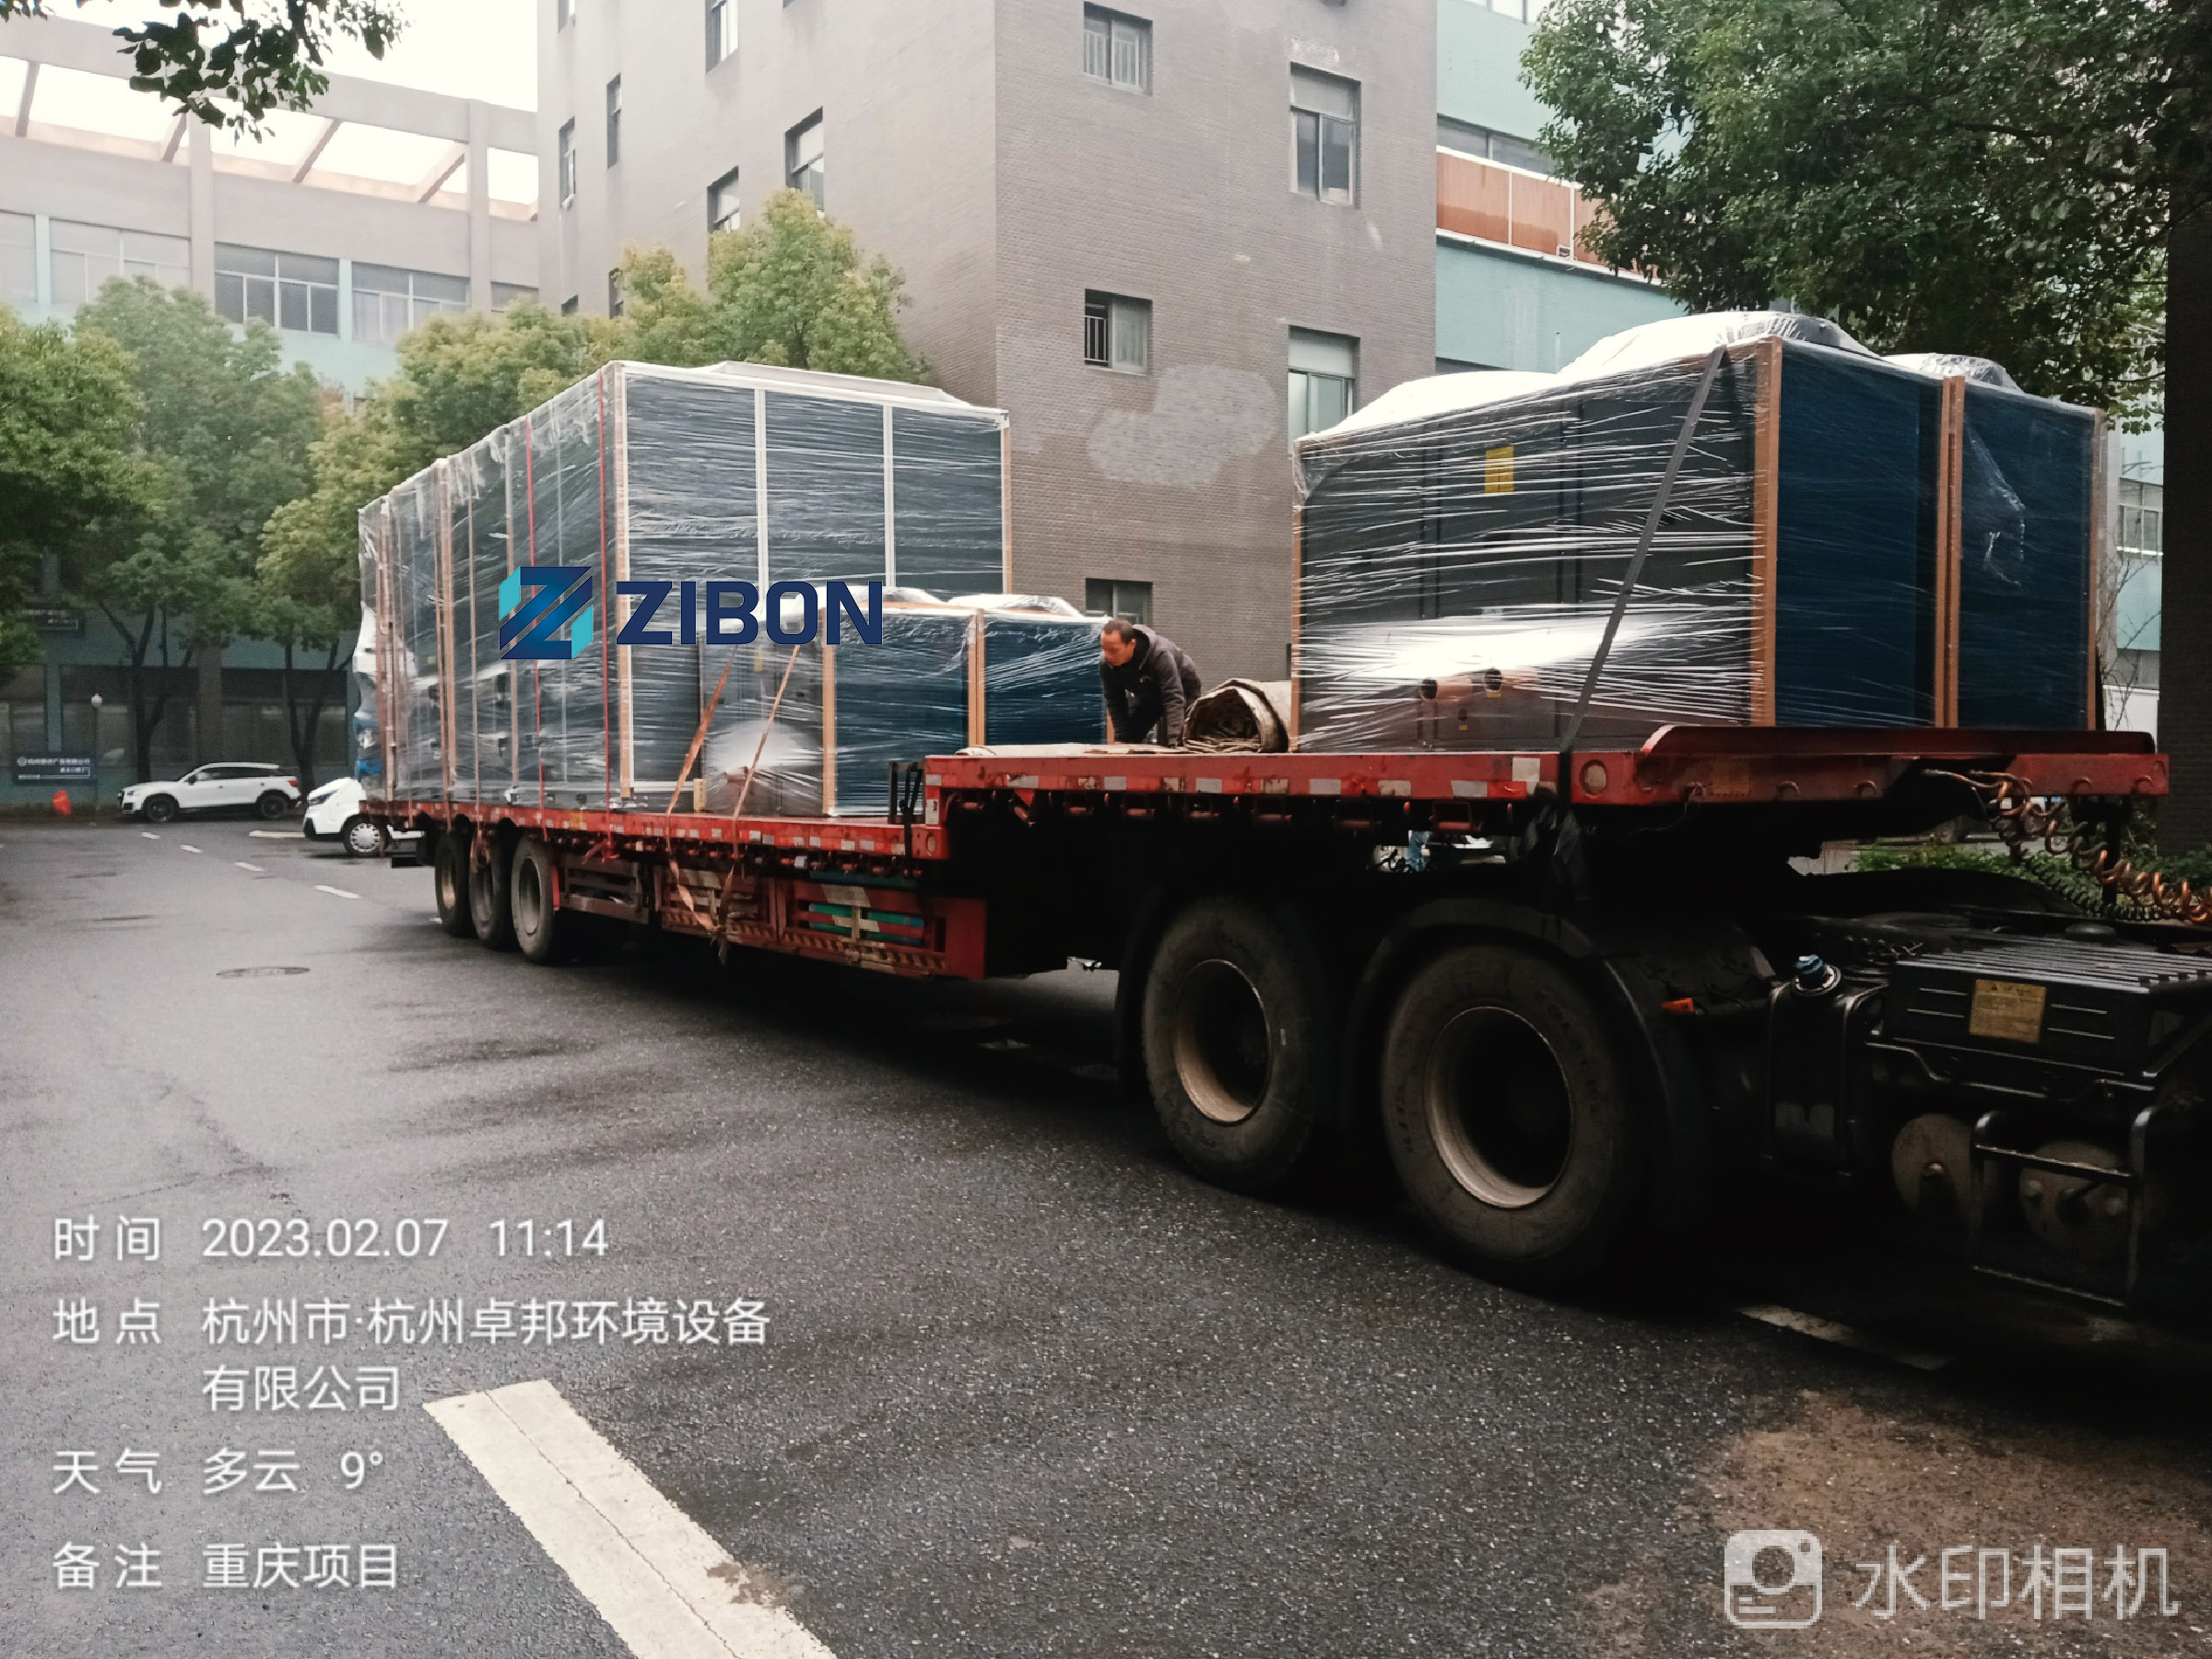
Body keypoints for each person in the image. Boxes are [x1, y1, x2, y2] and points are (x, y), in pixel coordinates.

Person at [1099, 617, 1203, 747]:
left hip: (1182, 690)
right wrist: (1122, 740)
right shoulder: (1106, 664)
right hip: (1148, 693)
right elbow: (1115, 702)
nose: (1108, 656)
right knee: (1130, 735)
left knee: (1180, 739)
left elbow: (1174, 698)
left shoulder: (1160, 655)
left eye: (1114, 650)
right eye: (1104, 649)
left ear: (1132, 644)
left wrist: (1175, 741)